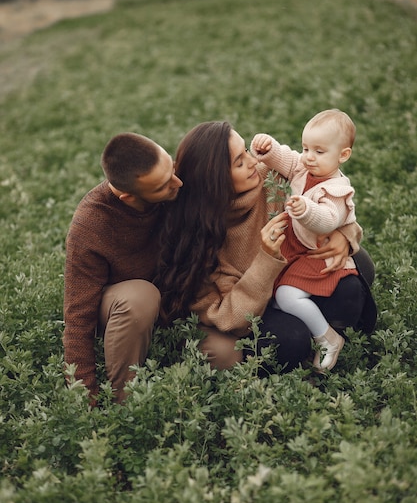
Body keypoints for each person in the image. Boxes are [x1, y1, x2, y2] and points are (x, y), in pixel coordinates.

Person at [156, 120, 376, 375]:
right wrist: (266, 258)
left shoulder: (270, 176)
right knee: (291, 340)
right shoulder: (198, 237)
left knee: (356, 271)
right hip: (256, 308)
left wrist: (343, 233)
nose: (253, 162)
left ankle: (330, 340)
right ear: (215, 180)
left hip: (296, 279)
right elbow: (228, 317)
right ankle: (313, 349)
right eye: (239, 162)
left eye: (246, 151)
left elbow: (330, 197)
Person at [63, 132, 183, 405]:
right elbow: (78, 317)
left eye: (172, 168)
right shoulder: (91, 224)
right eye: (164, 186)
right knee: (140, 296)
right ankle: (124, 403)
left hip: (168, 305)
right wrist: (85, 401)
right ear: (128, 198)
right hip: (119, 307)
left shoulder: (172, 182)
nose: (179, 182)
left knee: (225, 353)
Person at [250, 109, 358, 371]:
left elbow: (329, 220)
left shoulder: (337, 189)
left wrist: (307, 211)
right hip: (298, 247)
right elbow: (286, 159)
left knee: (287, 296)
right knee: (278, 296)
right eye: (306, 148)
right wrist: (268, 147)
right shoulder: (304, 167)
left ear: (343, 155)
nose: (309, 157)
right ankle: (310, 329)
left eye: (319, 152)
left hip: (317, 253)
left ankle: (327, 337)